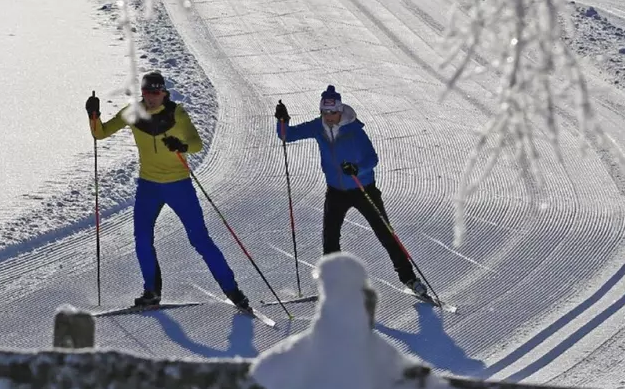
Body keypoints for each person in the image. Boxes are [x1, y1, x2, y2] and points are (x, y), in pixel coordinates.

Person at [87, 71, 251, 311]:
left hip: (178, 185)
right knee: (142, 238)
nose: (151, 97)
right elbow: (100, 133)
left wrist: (181, 145)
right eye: (147, 92)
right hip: (148, 186)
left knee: (199, 239)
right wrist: (93, 114)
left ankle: (233, 291)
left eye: (156, 92)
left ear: (164, 92)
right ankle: (151, 291)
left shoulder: (177, 114)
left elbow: (196, 144)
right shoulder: (132, 112)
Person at [276, 85, 429, 299]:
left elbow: (372, 159)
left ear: (340, 110)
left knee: (384, 232)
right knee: (330, 237)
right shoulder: (317, 127)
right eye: (324, 112)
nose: (328, 117)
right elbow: (287, 136)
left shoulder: (355, 131)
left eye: (332, 112)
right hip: (336, 191)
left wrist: (358, 169)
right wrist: (282, 121)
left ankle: (409, 278)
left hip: (362, 188)